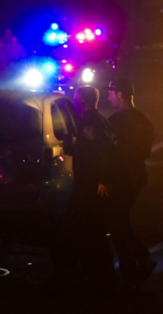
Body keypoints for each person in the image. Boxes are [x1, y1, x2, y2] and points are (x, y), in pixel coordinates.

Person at [105, 78, 157, 286]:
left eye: (110, 93)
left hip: (121, 178)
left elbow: (110, 152)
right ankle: (134, 265)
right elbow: (144, 151)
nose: (108, 97)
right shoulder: (143, 119)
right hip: (135, 176)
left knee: (117, 222)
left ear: (120, 94)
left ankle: (138, 262)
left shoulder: (117, 121)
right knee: (120, 221)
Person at [66, 86, 116, 292]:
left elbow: (99, 154)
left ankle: (98, 277)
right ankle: (102, 275)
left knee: (89, 231)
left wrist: (103, 179)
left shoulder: (89, 123)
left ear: (83, 101)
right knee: (94, 230)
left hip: (90, 185)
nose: (75, 102)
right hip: (93, 183)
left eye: (76, 100)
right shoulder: (102, 120)